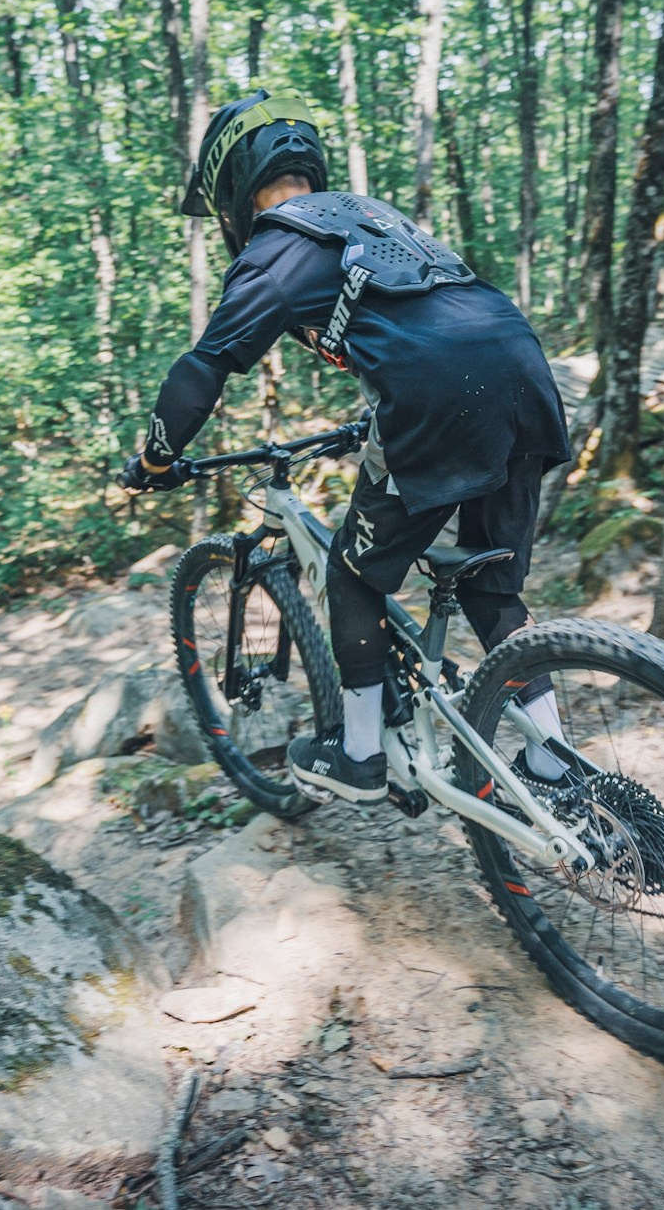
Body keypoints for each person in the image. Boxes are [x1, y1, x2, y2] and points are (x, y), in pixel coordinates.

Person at [120, 89, 575, 805]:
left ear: (232, 187)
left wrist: (154, 455)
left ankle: (360, 755)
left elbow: (204, 366)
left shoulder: (278, 244)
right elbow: (420, 320)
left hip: (436, 395)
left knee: (354, 574)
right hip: (521, 369)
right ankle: (554, 760)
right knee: (493, 587)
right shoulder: (368, 217)